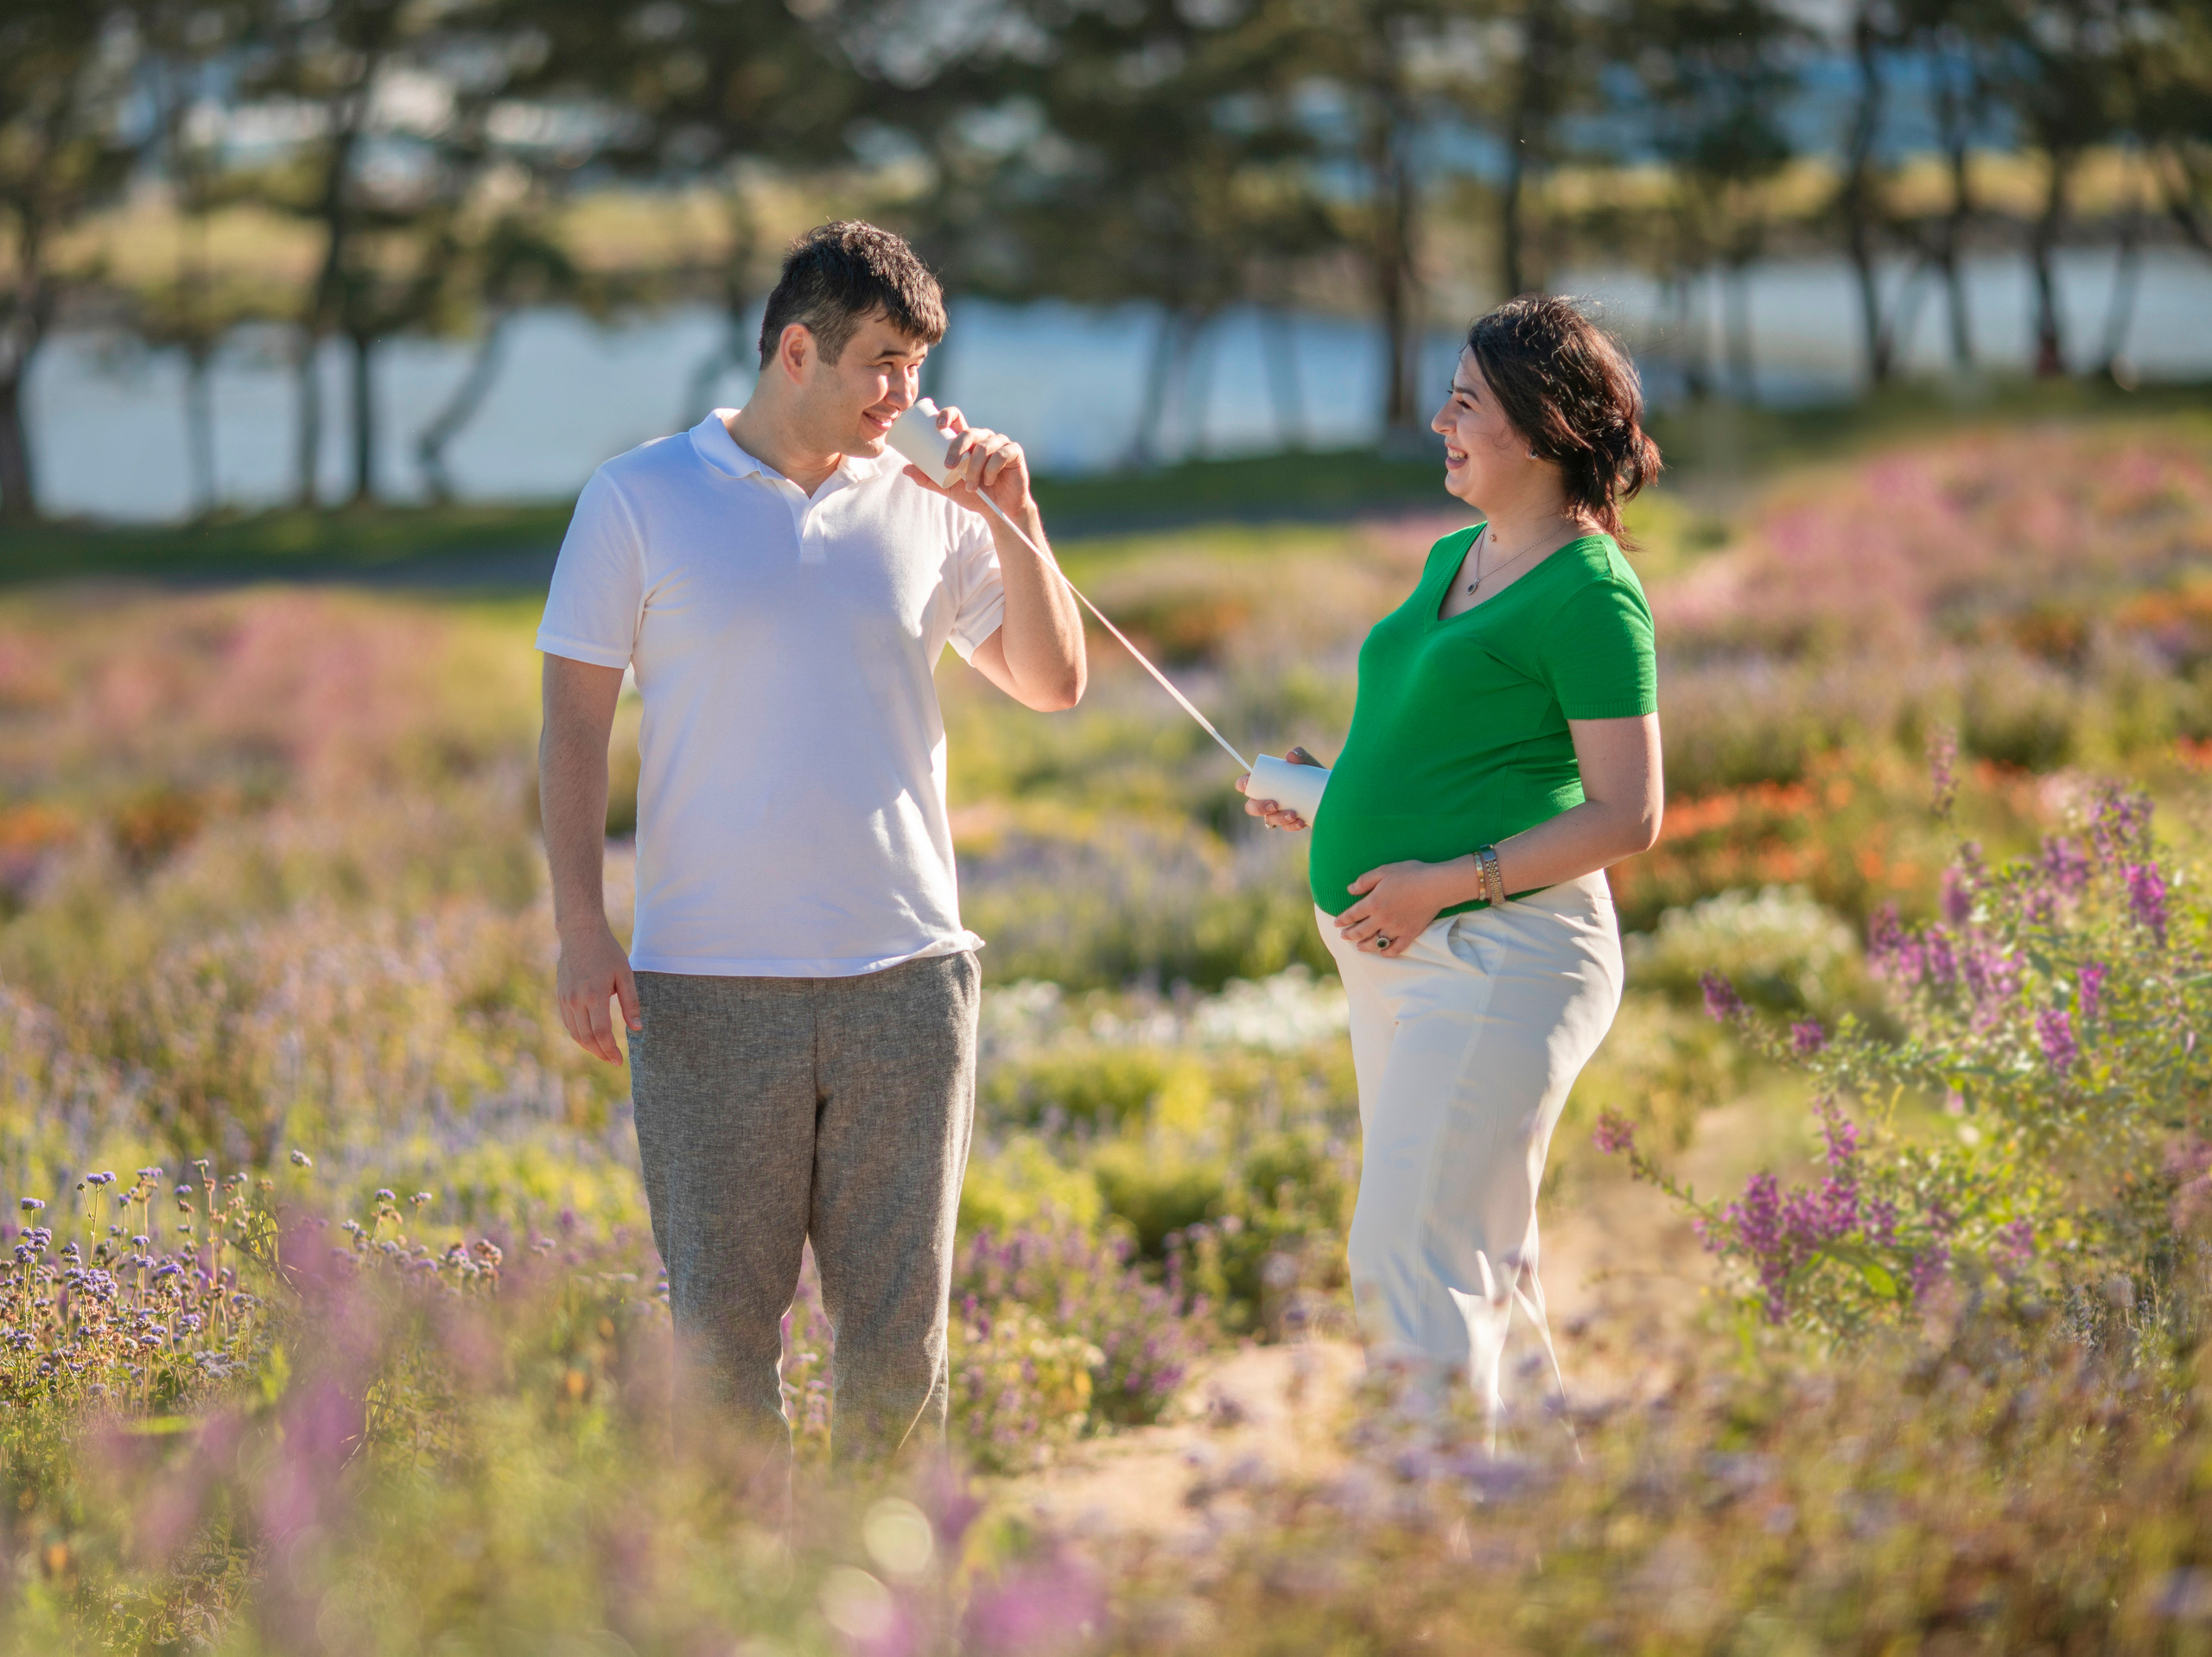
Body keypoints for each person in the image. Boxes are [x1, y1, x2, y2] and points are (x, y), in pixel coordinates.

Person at [535, 221, 1086, 1465]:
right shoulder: (637, 498)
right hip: (707, 992)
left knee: (898, 1347)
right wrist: (581, 924)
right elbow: (571, 730)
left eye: (918, 365)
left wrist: (1014, 517)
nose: (911, 394)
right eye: (884, 363)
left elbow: (1055, 683)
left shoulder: (931, 508)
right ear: (797, 350)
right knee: (722, 1350)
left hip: (908, 983)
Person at [1243, 294, 1663, 1427]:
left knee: (1410, 1251)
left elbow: (1629, 813)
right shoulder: (1458, 554)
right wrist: (1334, 795)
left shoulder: (1591, 593)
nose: (1440, 419)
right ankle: (1525, 1548)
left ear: (1538, 427)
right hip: (1406, 961)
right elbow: (1459, 751)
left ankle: (1425, 1548)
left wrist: (1443, 881)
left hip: (1504, 955)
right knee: (1479, 1256)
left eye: (1467, 400)